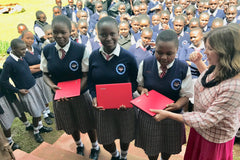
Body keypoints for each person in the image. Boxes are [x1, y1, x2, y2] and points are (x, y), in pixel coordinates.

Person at [151, 25, 240, 160]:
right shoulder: (220, 65)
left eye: (210, 49)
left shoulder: (234, 87)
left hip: (213, 139)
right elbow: (210, 80)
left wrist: (168, 115)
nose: (205, 52)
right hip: (198, 129)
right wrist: (199, 63)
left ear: (225, 52)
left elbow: (207, 120)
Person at [40, 15, 99, 160]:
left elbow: (86, 75)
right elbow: (45, 73)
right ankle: (79, 144)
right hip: (60, 96)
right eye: (55, 32)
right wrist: (53, 87)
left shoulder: (80, 49)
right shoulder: (47, 50)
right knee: (70, 123)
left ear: (70, 32)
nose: (59, 36)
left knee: (88, 122)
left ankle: (95, 146)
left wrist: (76, 91)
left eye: (63, 32)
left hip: (80, 94)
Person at [135, 29, 193, 160]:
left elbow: (186, 95)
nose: (164, 57)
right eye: (159, 52)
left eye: (169, 53)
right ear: (155, 48)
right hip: (150, 115)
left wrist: (177, 105)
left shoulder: (183, 68)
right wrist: (142, 90)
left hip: (172, 116)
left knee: (169, 146)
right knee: (151, 147)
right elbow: (139, 84)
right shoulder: (146, 64)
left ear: (177, 50)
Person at [88, 16, 138, 160]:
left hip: (123, 107)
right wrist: (94, 96)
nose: (108, 38)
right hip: (102, 108)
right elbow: (91, 82)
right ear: (98, 35)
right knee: (106, 139)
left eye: (112, 34)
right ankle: (114, 155)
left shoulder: (128, 57)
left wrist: (126, 99)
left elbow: (134, 82)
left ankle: (123, 156)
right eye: (103, 34)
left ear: (118, 33)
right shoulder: (93, 57)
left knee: (125, 135)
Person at [0, 39, 52, 143]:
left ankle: (40, 127)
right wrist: (17, 90)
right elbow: (3, 80)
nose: (25, 51)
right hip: (26, 92)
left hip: (34, 87)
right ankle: (36, 132)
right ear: (14, 49)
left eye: (25, 49)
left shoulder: (21, 57)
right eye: (22, 49)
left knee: (40, 109)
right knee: (36, 113)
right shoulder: (9, 63)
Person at [21, 30, 54, 125]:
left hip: (42, 77)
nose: (30, 40)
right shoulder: (22, 52)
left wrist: (36, 67)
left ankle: (48, 111)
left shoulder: (36, 48)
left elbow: (44, 62)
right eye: (27, 38)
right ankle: (45, 115)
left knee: (45, 94)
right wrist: (41, 67)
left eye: (32, 38)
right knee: (39, 96)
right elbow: (27, 69)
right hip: (33, 79)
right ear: (22, 39)